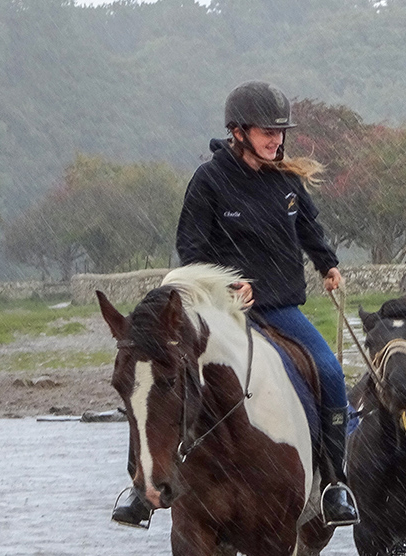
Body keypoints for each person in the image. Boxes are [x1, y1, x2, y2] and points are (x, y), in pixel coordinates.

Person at [112, 81, 360, 528]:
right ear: (238, 132)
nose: (276, 140)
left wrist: (327, 263)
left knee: (329, 371)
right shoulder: (208, 181)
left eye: (280, 132)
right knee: (154, 379)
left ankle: (334, 483)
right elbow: (191, 249)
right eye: (268, 132)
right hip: (222, 313)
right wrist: (226, 287)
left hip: (280, 309)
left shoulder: (287, 180)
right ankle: (139, 488)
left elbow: (308, 229)